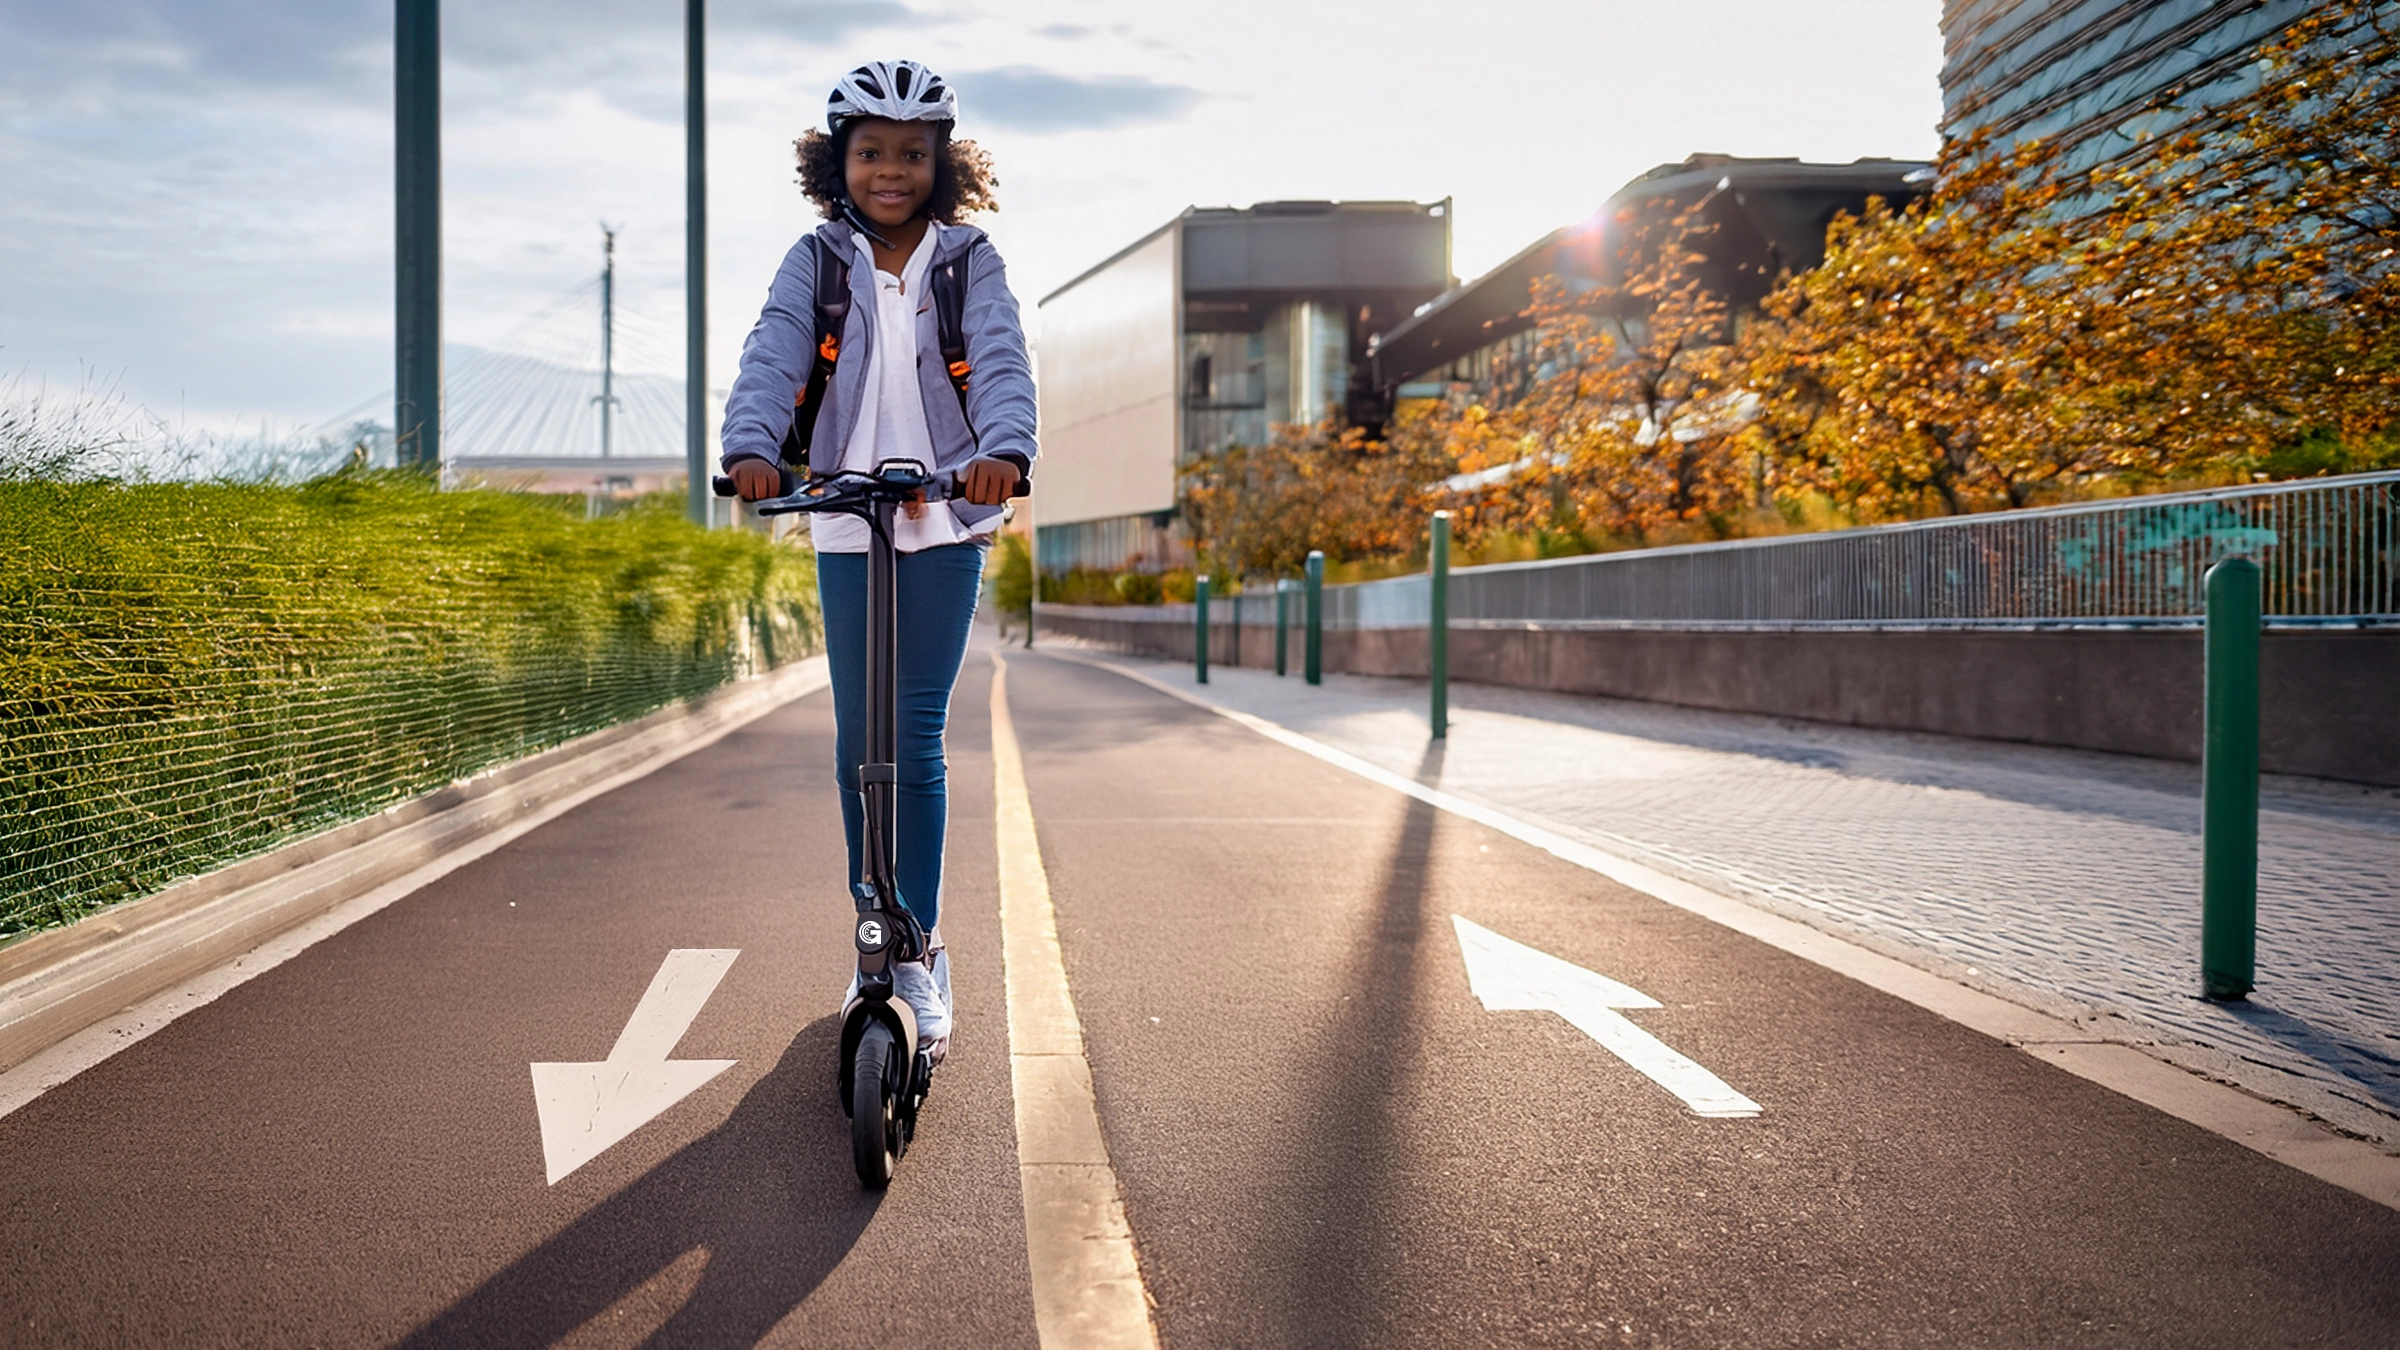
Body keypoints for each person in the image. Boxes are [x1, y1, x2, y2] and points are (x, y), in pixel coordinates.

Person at [720, 60, 1035, 1059]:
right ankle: (874, 929)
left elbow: (998, 355)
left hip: (943, 515)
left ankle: (918, 949)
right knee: (861, 742)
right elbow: (774, 352)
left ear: (940, 165)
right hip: (850, 517)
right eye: (871, 153)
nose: (889, 171)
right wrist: (752, 449)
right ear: (838, 161)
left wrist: (1003, 452)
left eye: (910, 154)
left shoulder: (965, 259)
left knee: (916, 734)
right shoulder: (814, 262)